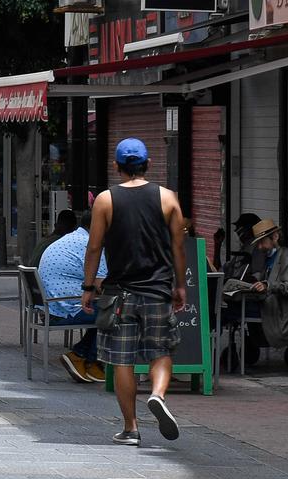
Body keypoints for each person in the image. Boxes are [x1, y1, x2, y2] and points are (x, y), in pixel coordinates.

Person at [82, 137, 187, 446]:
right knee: (161, 351)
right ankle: (157, 394)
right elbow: (178, 248)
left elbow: (94, 246)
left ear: (116, 166)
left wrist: (88, 287)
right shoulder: (168, 199)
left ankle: (130, 428)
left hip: (120, 294)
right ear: (148, 165)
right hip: (157, 292)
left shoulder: (105, 200)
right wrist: (179, 285)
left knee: (122, 360)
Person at [40, 211, 108, 383]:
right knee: (112, 312)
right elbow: (101, 284)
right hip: (64, 311)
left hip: (50, 308)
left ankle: (87, 358)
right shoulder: (91, 244)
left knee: (104, 310)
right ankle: (84, 357)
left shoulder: (71, 238)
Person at [255, 222, 288, 349]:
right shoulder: (268, 257)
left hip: (279, 311)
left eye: (262, 242)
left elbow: (287, 287)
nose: (259, 247)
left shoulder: (285, 256)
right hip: (266, 304)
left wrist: (268, 286)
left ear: (275, 237)